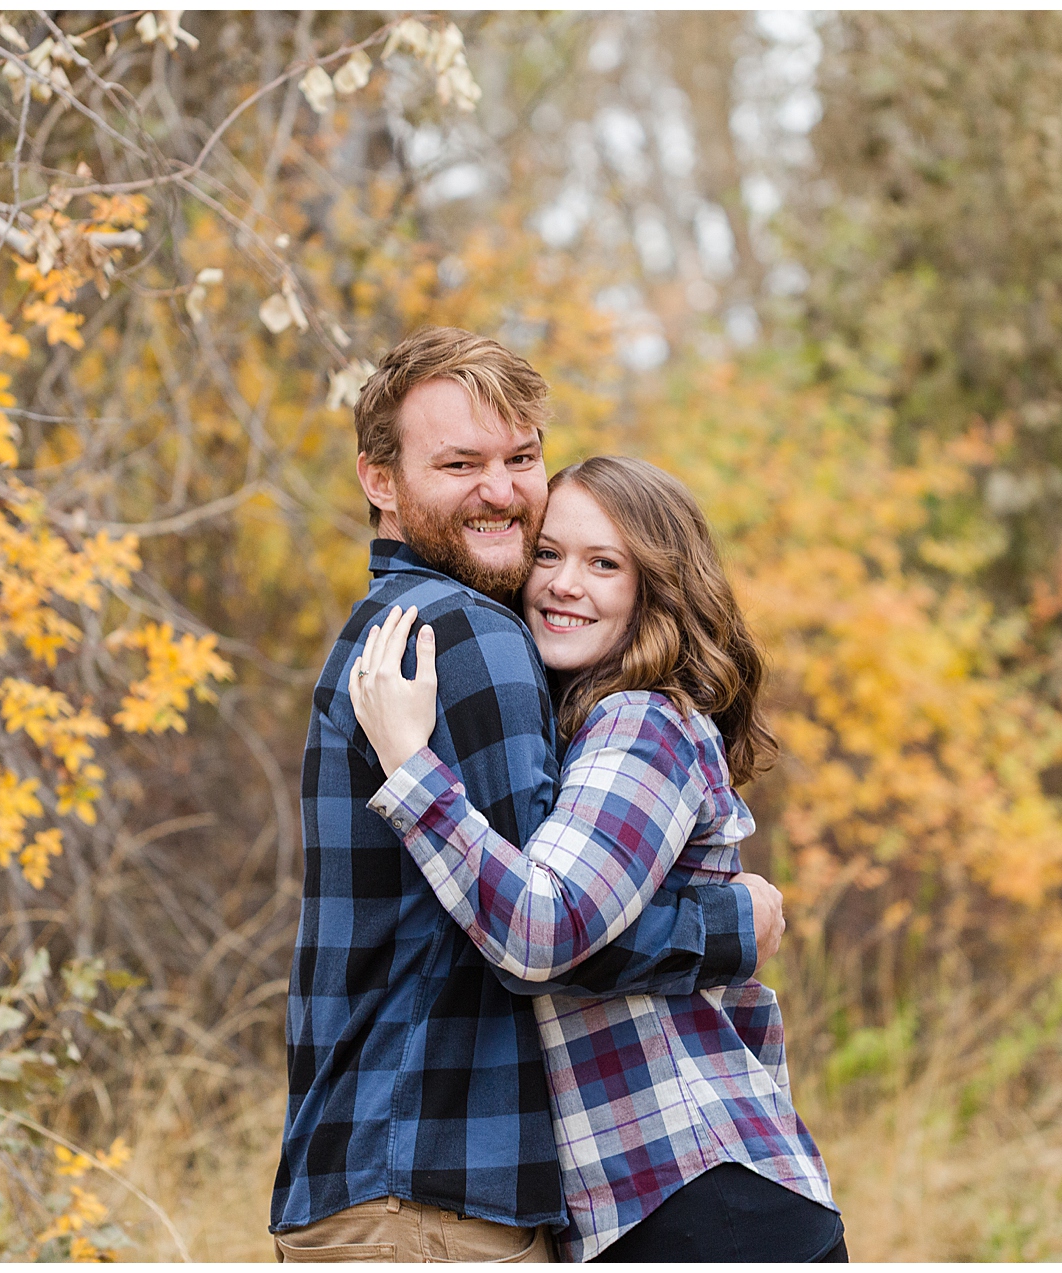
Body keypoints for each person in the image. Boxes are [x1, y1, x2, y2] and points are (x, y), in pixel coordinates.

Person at [271, 329, 787, 1263]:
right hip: (434, 1195)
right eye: (460, 462)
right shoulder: (470, 637)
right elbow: (542, 937)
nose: (502, 490)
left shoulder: (388, 628)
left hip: (377, 1180)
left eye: (521, 457)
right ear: (379, 480)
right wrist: (730, 926)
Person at [348, 455, 843, 1262]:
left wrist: (411, 770)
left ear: (656, 589)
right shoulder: (577, 733)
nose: (562, 583)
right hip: (654, 1203)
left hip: (699, 1192)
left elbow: (543, 931)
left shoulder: (642, 723)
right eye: (548, 554)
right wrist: (727, 923)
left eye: (603, 563)